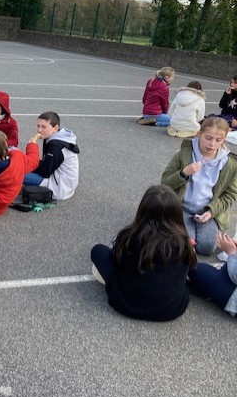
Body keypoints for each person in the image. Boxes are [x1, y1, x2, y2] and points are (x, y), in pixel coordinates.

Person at [90, 184, 196, 322]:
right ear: (177, 214)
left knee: (98, 250)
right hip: (172, 309)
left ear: (143, 210)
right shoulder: (183, 241)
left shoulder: (131, 235)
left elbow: (115, 259)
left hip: (128, 304)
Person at [161, 117, 237, 255]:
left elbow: (230, 195)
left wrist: (211, 212)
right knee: (185, 244)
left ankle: (205, 227)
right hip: (182, 208)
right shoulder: (184, 153)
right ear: (199, 134)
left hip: (207, 212)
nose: (212, 144)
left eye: (218, 140)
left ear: (224, 140)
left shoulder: (229, 164)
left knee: (207, 247)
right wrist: (184, 173)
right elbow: (165, 182)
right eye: (208, 138)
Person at [24, 111, 79, 200]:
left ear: (55, 128)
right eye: (38, 126)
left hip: (58, 188)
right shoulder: (54, 136)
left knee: (15, 173)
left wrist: (29, 160)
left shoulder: (56, 146)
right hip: (64, 183)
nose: (39, 130)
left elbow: (45, 171)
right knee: (22, 167)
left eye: (44, 127)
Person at [188, 232, 237, 317]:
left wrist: (232, 252)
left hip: (233, 293)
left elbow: (235, 275)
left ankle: (210, 292)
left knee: (195, 269)